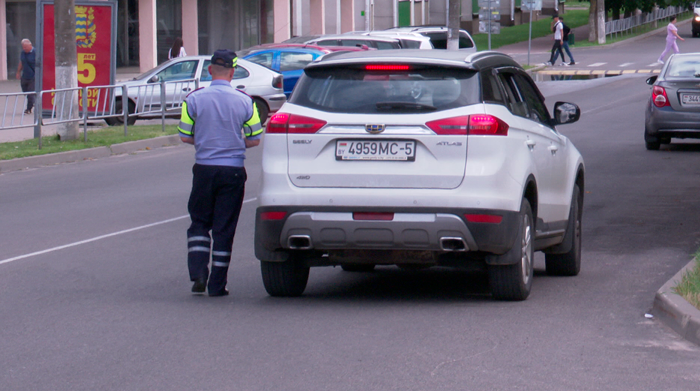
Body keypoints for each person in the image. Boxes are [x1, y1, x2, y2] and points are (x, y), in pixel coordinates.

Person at [178, 49, 263, 297]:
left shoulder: (193, 100)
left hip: (204, 169)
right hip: (233, 171)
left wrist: (206, 141)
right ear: (233, 72)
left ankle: (198, 272)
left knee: (199, 222)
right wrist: (234, 142)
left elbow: (185, 135)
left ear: (210, 70)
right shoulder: (246, 101)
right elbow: (255, 139)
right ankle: (217, 285)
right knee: (224, 229)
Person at [16, 38, 35, 115]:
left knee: (31, 93)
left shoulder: (35, 52)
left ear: (30, 45)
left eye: (26, 47)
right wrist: (18, 72)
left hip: (33, 75)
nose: (24, 49)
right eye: (23, 47)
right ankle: (32, 101)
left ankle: (28, 108)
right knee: (25, 91)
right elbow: (21, 62)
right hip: (25, 75)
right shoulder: (23, 53)